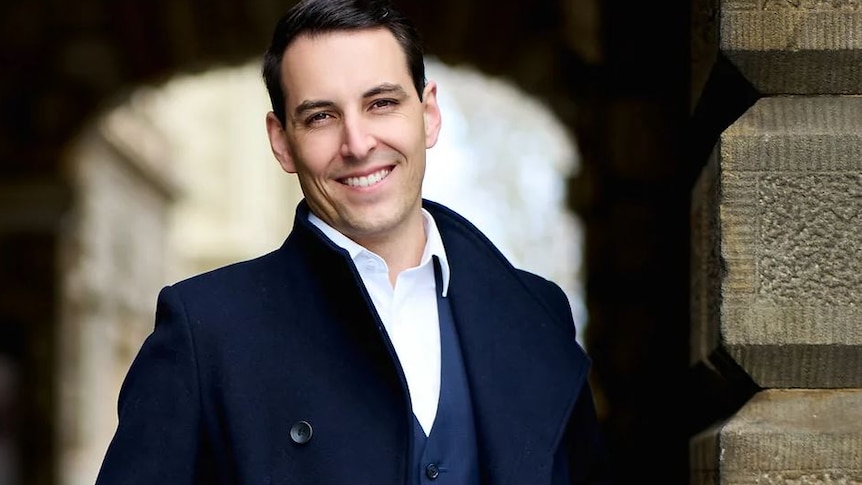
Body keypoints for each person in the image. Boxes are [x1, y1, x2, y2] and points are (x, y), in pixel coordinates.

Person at [96, 0, 612, 483]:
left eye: (382, 103)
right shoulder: (202, 332)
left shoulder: (537, 316)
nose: (358, 144)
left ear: (428, 114)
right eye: (321, 116)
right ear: (282, 141)